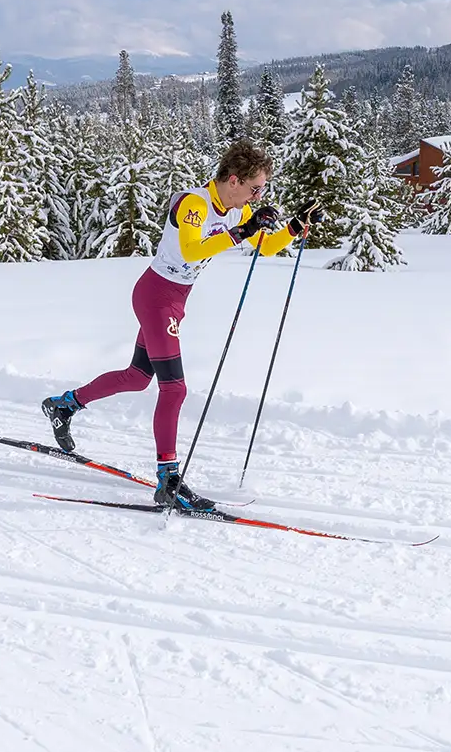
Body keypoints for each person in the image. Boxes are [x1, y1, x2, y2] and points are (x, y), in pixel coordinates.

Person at [42, 140, 315, 511]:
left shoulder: (235, 209)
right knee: (174, 389)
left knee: (138, 377)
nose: (258, 195)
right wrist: (243, 230)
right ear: (233, 180)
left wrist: (293, 228)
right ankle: (168, 478)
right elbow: (190, 249)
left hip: (173, 300)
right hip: (155, 297)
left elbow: (266, 246)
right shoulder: (194, 204)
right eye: (255, 188)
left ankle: (65, 405)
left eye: (261, 190)